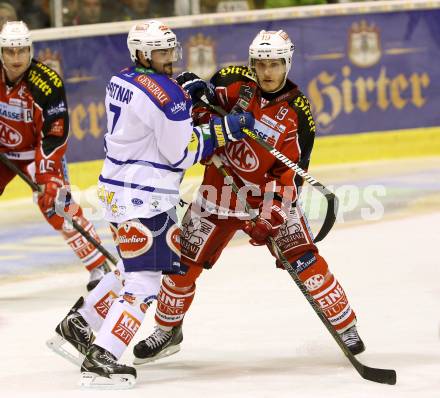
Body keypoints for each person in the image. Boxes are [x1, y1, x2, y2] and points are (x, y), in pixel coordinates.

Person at [132, 29, 366, 363]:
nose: (267, 72)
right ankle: (167, 330)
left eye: (274, 64)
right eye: (260, 64)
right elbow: (195, 107)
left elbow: (288, 176)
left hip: (266, 201)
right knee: (180, 264)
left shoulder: (298, 113)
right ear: (252, 63)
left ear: (287, 63)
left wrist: (270, 217)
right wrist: (197, 102)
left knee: (303, 259)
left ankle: (345, 325)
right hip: (217, 195)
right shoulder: (234, 82)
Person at [46, 20, 254, 389]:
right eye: (161, 52)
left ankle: (79, 324)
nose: (170, 58)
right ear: (142, 53)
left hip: (116, 188)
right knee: (145, 283)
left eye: (171, 50)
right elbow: (181, 153)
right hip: (145, 198)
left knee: (129, 268)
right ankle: (102, 357)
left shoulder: (121, 79)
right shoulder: (168, 95)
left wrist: (184, 98)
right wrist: (225, 130)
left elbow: (150, 116)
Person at [0, 21, 111, 291]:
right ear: (1, 53)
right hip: (4, 151)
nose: (16, 59)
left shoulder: (47, 83)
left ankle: (98, 265)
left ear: (30, 49)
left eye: (22, 51)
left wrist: (48, 175)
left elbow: (55, 132)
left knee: (56, 205)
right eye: (9, 52)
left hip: (39, 151)